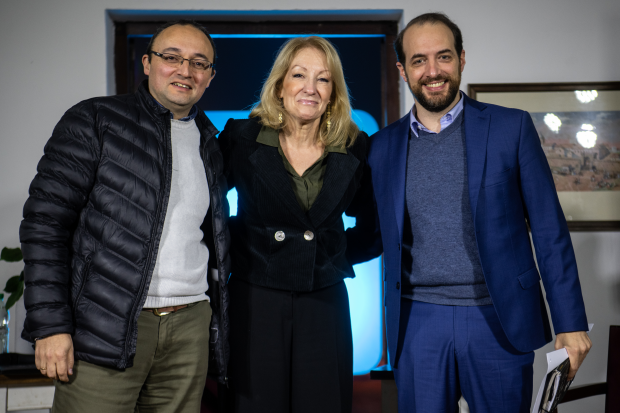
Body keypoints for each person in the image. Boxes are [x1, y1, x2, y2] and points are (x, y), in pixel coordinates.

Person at [346, 12, 591, 413]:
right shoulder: (381, 147)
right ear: (403, 71)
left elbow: (549, 230)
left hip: (498, 318)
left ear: (462, 59)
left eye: (443, 57)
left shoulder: (511, 128)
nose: (432, 71)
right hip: (417, 321)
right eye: (419, 60)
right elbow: (372, 233)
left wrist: (571, 320)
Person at [19, 20, 231, 412]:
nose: (185, 70)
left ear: (210, 76)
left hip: (189, 326)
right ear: (148, 64)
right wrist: (51, 326)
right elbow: (45, 225)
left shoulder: (210, 142)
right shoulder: (96, 120)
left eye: (199, 63)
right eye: (172, 57)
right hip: (106, 322)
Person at [218, 36, 369, 413]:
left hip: (324, 298)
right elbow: (207, 210)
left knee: (323, 403)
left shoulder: (354, 145)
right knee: (256, 405)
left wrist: (328, 254)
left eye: (323, 79)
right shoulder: (242, 137)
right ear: (280, 84)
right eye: (299, 75)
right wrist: (240, 249)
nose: (310, 88)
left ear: (333, 91)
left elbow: (375, 225)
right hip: (256, 296)